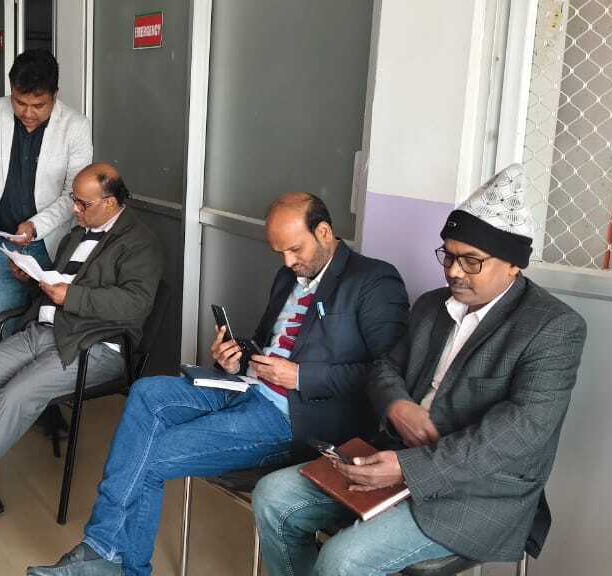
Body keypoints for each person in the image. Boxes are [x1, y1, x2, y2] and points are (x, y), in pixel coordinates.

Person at [29, 193, 410, 576]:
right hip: (247, 387)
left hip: (296, 417)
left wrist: (301, 376)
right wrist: (234, 355)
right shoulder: (288, 276)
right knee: (147, 392)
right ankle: (105, 553)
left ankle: (111, 559)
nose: (287, 262)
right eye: (280, 252)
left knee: (150, 455)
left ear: (324, 232)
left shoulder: (373, 280)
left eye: (295, 249)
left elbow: (387, 372)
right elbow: (264, 344)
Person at [250, 165, 587, 575]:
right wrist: (398, 406)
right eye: (449, 255)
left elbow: (520, 432)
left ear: (513, 265)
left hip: (476, 492)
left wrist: (410, 469)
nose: (454, 271)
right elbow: (384, 367)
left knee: (343, 559)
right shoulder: (432, 305)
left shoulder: (552, 327)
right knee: (273, 497)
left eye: (471, 261)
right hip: (395, 454)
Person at [0, 163, 161, 537]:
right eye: (74, 200)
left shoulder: (140, 242)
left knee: (14, 396)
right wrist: (33, 277)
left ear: (109, 202)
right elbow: (61, 280)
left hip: (92, 345)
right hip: (44, 330)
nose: (74, 209)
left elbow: (135, 304)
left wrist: (71, 296)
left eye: (83, 203)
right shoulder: (78, 233)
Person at [0, 48, 92, 326]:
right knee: (6, 325)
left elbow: (74, 194)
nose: (28, 113)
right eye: (19, 103)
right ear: (11, 90)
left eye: (39, 105)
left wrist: (35, 226)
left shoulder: (76, 126)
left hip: (50, 244)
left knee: (51, 326)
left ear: (55, 95)